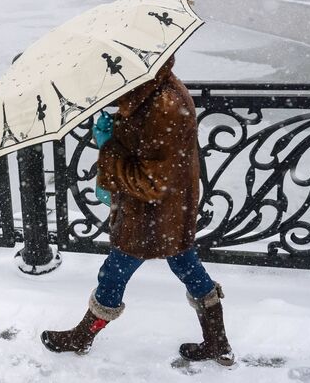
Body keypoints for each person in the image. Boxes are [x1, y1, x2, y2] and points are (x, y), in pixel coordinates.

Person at [40, 56, 235, 366]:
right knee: (186, 266)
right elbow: (148, 147)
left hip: (151, 216)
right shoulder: (156, 88)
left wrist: (108, 146)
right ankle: (217, 342)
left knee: (114, 273)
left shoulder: (163, 104)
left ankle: (82, 337)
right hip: (168, 211)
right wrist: (116, 129)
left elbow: (149, 180)